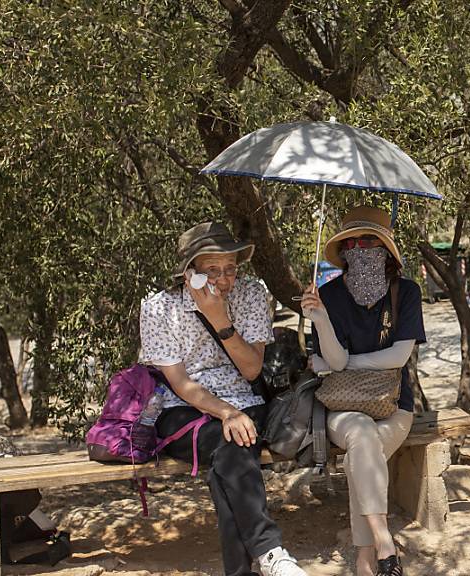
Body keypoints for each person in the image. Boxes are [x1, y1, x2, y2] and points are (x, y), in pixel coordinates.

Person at [140, 222, 307, 576]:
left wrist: (220, 320)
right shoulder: (159, 308)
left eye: (230, 268)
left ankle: (255, 563)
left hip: (244, 400)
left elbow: (252, 369)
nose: (224, 279)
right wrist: (226, 412)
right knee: (232, 445)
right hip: (184, 410)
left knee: (230, 455)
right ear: (190, 273)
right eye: (212, 270)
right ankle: (271, 552)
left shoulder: (251, 295)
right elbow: (180, 383)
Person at [301, 206, 426, 576]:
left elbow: (398, 356)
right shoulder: (328, 295)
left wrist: (347, 363)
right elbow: (334, 360)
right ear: (343, 251)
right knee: (361, 435)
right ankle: (385, 544)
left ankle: (365, 557)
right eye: (352, 243)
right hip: (343, 407)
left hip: (394, 406)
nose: (360, 249)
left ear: (385, 248)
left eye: (369, 240)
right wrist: (320, 319)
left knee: (360, 455)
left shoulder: (406, 292)